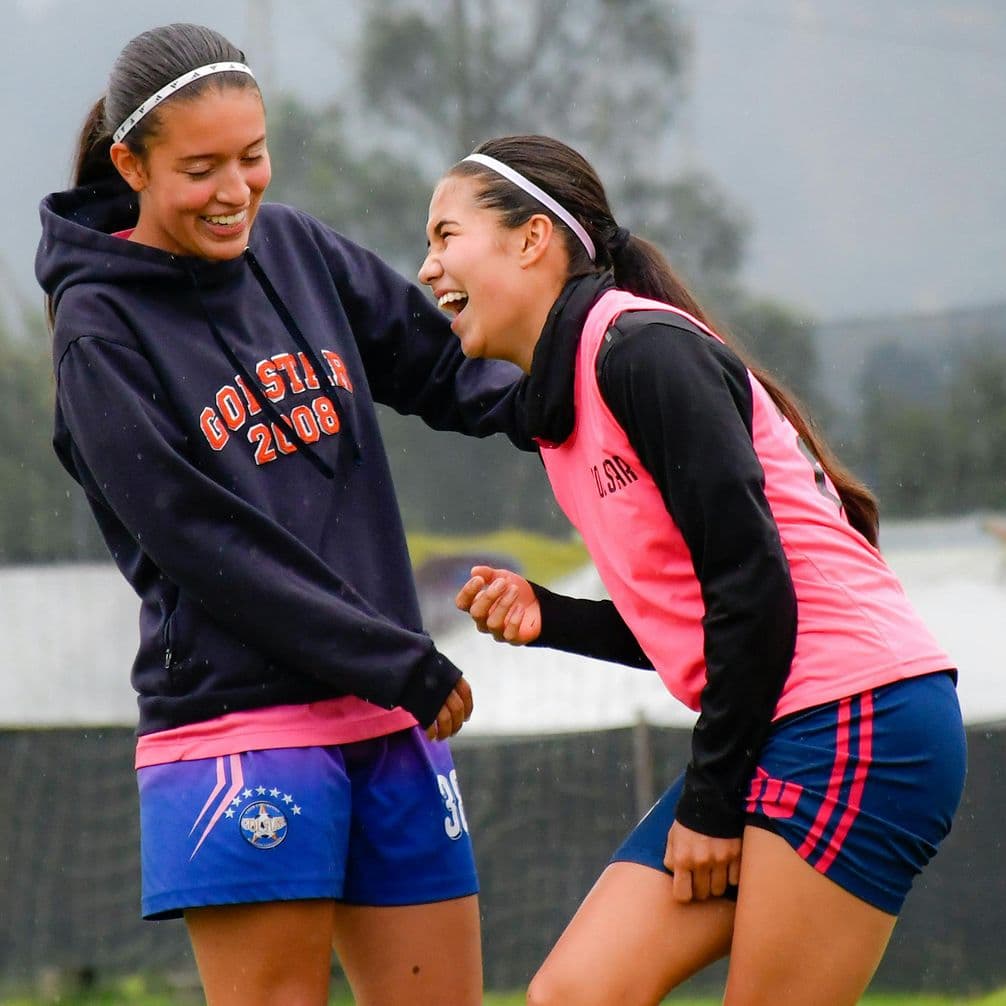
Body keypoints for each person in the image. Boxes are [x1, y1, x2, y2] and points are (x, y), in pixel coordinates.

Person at [36, 24, 533, 1006]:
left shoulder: (296, 249)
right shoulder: (97, 331)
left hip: (388, 717)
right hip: (240, 729)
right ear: (131, 163)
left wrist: (584, 387)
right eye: (202, 167)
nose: (236, 190)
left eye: (253, 157)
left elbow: (444, 369)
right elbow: (201, 540)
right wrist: (393, 653)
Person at [418, 134, 967, 1006]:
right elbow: (707, 619)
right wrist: (552, 616)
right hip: (780, 719)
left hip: (858, 718)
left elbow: (755, 592)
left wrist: (712, 803)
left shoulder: (640, 352)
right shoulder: (562, 407)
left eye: (446, 236)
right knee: (572, 995)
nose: (426, 267)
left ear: (532, 240)